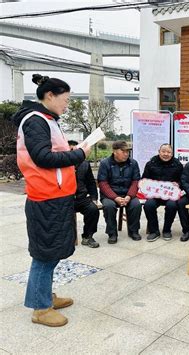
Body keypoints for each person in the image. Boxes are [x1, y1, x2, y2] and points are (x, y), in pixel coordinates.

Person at [12, 74, 91, 327]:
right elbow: (43, 158)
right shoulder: (35, 121)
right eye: (65, 100)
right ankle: (40, 308)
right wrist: (78, 154)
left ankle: (44, 295)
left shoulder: (47, 119)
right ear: (50, 96)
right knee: (45, 254)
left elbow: (52, 154)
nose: (67, 105)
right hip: (46, 198)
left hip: (56, 195)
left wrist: (71, 151)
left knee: (53, 251)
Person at [98, 140, 142, 244]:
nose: (126, 154)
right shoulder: (105, 163)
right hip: (110, 195)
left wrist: (129, 196)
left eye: (127, 151)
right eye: (123, 151)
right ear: (114, 151)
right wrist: (115, 197)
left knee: (136, 205)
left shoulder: (133, 163)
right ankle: (112, 233)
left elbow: (136, 181)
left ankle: (134, 231)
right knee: (109, 206)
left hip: (127, 193)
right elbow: (103, 183)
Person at [142, 143, 184, 242]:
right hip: (155, 194)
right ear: (159, 152)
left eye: (169, 152)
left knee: (172, 205)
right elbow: (144, 179)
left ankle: (167, 230)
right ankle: (154, 231)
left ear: (172, 153)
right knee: (148, 205)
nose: (166, 154)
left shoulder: (177, 164)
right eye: (163, 151)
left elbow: (183, 180)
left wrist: (178, 184)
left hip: (170, 195)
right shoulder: (151, 163)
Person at [68, 140, 100, 248]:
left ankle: (87, 236)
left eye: (74, 149)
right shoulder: (62, 165)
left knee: (93, 209)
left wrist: (94, 198)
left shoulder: (84, 164)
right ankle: (68, 238)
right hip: (67, 198)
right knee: (62, 214)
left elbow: (91, 182)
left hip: (82, 197)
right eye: (70, 150)